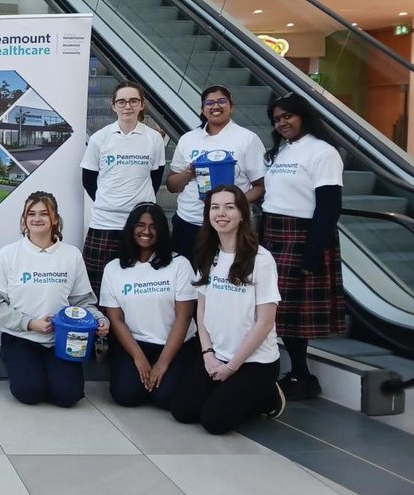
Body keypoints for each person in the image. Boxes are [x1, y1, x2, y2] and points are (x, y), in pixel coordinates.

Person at [171, 185, 285, 434]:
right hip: (216, 355)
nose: (221, 213)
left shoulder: (260, 259)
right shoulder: (208, 254)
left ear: (243, 214)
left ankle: (267, 396)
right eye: (215, 207)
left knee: (214, 421)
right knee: (183, 411)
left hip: (254, 361)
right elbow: (201, 311)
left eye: (229, 207)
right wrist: (208, 353)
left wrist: (232, 366)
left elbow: (265, 322)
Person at [0, 191, 109, 407]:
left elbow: (83, 302)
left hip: (60, 341)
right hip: (20, 337)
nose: (37, 218)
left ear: (55, 219)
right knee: (29, 392)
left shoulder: (71, 255)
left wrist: (99, 320)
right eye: (31, 213)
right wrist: (30, 323)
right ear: (24, 219)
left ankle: (51, 375)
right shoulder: (8, 254)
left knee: (68, 396)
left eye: (44, 213)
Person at [261, 93, 345, 401]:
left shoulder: (323, 153)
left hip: (301, 237)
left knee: (293, 314)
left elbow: (329, 207)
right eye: (277, 119)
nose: (282, 123)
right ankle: (297, 372)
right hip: (274, 234)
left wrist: (312, 253)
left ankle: (302, 374)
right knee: (280, 310)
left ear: (303, 116)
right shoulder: (283, 151)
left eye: (287, 117)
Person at [99, 203, 198, 409]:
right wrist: (139, 359)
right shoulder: (114, 268)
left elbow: (184, 317)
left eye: (153, 226)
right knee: (126, 395)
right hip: (135, 344)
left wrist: (162, 363)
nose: (146, 231)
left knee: (166, 398)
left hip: (175, 345)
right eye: (140, 225)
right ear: (131, 228)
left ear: (162, 230)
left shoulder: (179, 264)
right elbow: (116, 320)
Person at [80, 81, 166, 294]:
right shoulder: (100, 138)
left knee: (137, 288)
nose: (127, 106)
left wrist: (139, 207)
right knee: (97, 289)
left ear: (142, 104)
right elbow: (88, 179)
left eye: (133, 101)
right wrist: (108, 201)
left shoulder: (154, 138)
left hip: (140, 224)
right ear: (113, 106)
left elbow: (155, 178)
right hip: (104, 222)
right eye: (122, 101)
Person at [166, 85, 266, 260]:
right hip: (189, 222)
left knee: (226, 280)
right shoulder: (188, 139)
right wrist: (189, 173)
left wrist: (233, 203)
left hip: (230, 225)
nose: (216, 106)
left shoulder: (247, 139)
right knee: (185, 279)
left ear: (231, 106)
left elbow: (260, 187)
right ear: (203, 109)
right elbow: (172, 185)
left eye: (222, 101)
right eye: (209, 103)